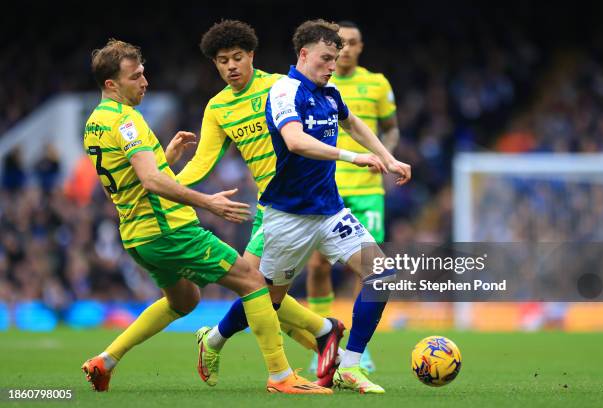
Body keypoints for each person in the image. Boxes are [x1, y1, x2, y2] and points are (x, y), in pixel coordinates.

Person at [80, 39, 330, 395]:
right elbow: (151, 181)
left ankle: (105, 360)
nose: (145, 81)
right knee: (253, 281)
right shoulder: (127, 122)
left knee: (184, 301)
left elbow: (124, 184)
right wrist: (207, 202)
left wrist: (163, 156)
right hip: (170, 230)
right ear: (111, 85)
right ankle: (282, 375)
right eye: (135, 77)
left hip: (137, 235)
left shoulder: (94, 124)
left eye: (143, 73)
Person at [171, 20, 345, 388]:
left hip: (300, 203)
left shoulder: (279, 87)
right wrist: (166, 185)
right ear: (214, 65)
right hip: (273, 208)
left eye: (238, 57)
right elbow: (203, 162)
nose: (231, 66)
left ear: (252, 56)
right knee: (258, 291)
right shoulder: (218, 108)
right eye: (222, 61)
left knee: (257, 290)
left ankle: (222, 340)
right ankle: (324, 338)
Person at [259, 19, 411, 393]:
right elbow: (294, 141)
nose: (332, 66)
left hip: (329, 211)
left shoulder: (330, 93)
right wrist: (352, 158)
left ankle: (352, 365)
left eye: (336, 58)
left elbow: (355, 123)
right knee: (265, 302)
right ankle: (215, 337)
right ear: (304, 54)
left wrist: (387, 158)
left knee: (382, 273)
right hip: (288, 216)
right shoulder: (285, 91)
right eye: (326, 58)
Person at [306, 20, 400, 373]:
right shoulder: (320, 85)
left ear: (360, 47)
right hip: (330, 186)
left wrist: (385, 157)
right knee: (317, 266)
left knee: (370, 271)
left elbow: (391, 129)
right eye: (339, 43)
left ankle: (361, 347)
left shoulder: (376, 84)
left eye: (352, 42)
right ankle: (320, 340)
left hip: (367, 191)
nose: (345, 48)